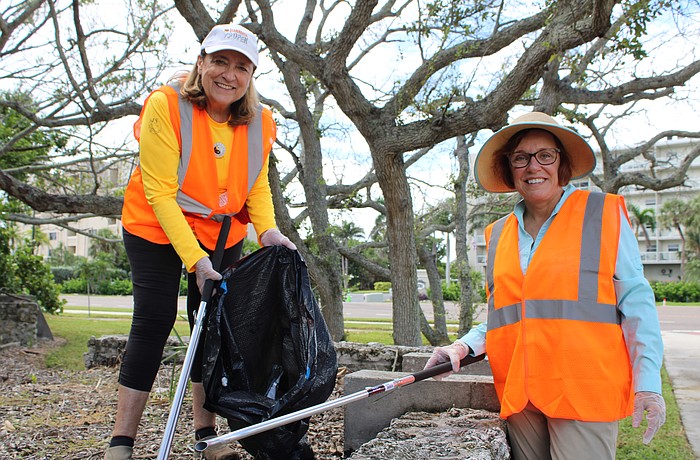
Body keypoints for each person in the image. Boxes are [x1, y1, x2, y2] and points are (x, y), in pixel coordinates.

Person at [425, 112, 666, 460]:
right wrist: (461, 347)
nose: (533, 166)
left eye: (545, 155)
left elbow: (637, 304)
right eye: (521, 158)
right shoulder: (497, 235)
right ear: (510, 168)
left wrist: (648, 384)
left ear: (561, 162)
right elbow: (507, 316)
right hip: (522, 397)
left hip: (584, 391)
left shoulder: (603, 214)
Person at [105, 24, 296, 460]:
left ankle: (207, 436)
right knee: (153, 321)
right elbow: (159, 192)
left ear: (252, 75)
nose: (229, 75)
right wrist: (195, 261)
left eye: (241, 67)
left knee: (211, 329)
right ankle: (121, 444)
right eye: (220, 61)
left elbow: (257, 185)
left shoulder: (261, 121)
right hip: (155, 224)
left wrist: (266, 231)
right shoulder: (165, 106)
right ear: (201, 62)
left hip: (220, 231)